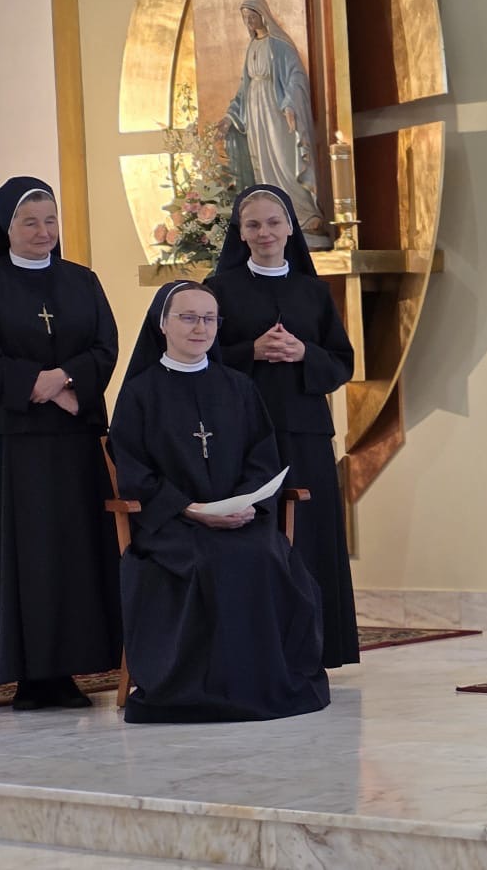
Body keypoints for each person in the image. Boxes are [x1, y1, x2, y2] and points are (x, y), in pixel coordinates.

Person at [107, 280, 330, 724]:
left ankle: (262, 682)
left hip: (242, 519)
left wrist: (250, 505)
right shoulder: (140, 393)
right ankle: (197, 691)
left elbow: (262, 457)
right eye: (188, 318)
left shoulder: (239, 387)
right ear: (162, 324)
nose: (200, 328)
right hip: (172, 525)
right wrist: (187, 509)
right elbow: (133, 470)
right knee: (207, 560)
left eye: (209, 319)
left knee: (264, 554)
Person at [0, 176, 121, 710]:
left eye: (50, 221)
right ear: (6, 227)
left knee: (74, 553)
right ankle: (27, 675)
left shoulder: (82, 281)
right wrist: (45, 386)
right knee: (21, 558)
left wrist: (66, 380)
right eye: (30, 222)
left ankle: (70, 669)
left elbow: (106, 346)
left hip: (72, 441)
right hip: (7, 444)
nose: (43, 231)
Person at [205, 184, 359, 668]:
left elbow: (342, 363)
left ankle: (315, 649)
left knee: (310, 537)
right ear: (240, 233)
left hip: (306, 432)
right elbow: (201, 358)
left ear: (290, 228)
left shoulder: (313, 292)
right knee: (255, 536)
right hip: (243, 435)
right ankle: (256, 650)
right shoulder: (219, 290)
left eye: (273, 223)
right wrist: (249, 351)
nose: (264, 232)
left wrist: (303, 352)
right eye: (253, 225)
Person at [223, 0, 330, 249]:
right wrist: (229, 117)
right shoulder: (252, 47)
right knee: (264, 167)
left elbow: (296, 76)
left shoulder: (279, 45)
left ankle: (303, 215)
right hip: (255, 114)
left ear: (263, 16)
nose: (249, 22)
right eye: (245, 18)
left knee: (284, 161)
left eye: (252, 16)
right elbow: (243, 88)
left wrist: (290, 104)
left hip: (277, 113)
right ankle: (274, 217)